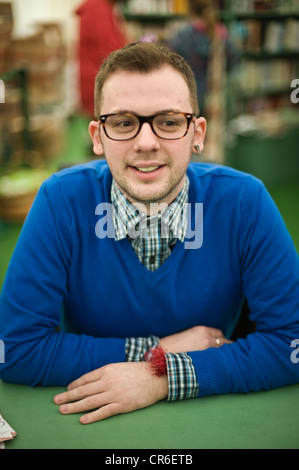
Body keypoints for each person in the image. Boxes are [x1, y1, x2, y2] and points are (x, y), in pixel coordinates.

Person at [0, 42, 298, 425]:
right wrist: (157, 350)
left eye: (169, 121)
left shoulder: (245, 200)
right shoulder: (60, 201)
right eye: (123, 123)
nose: (146, 142)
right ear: (96, 136)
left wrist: (162, 377)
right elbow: (15, 350)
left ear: (197, 133)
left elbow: (292, 344)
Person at [167, 0, 241, 162]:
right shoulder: (221, 34)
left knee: (186, 139)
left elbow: (168, 62)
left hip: (186, 96)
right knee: (212, 142)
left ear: (190, 10)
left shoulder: (183, 35)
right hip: (214, 97)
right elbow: (233, 61)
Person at [75, 0, 128, 118]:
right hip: (99, 83)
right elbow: (111, 52)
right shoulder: (98, 11)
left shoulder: (103, 8)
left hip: (97, 81)